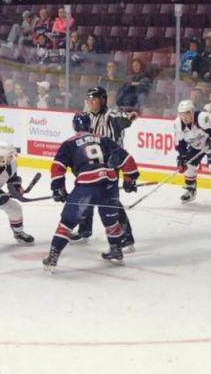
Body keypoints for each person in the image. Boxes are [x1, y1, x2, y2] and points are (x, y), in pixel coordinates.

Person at [42, 113, 139, 271]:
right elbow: (125, 158)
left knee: (68, 221)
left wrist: (58, 188)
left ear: (75, 127)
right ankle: (116, 249)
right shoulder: (103, 139)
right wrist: (130, 178)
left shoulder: (69, 143)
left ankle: (53, 256)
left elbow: (58, 166)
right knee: (111, 219)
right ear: (91, 126)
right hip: (109, 182)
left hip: (87, 185)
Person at [74, 87, 137, 251]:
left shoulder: (112, 115)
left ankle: (126, 236)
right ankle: (84, 230)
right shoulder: (87, 117)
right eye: (89, 99)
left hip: (110, 165)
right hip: (92, 163)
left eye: (94, 99)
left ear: (103, 100)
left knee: (110, 201)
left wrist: (128, 118)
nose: (91, 102)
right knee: (85, 194)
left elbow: (125, 119)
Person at [175, 99, 211, 206]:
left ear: (192, 112)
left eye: (187, 114)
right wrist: (182, 156)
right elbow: (180, 143)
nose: (184, 117)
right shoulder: (177, 123)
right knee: (187, 164)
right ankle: (191, 190)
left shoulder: (202, 118)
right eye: (182, 114)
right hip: (197, 144)